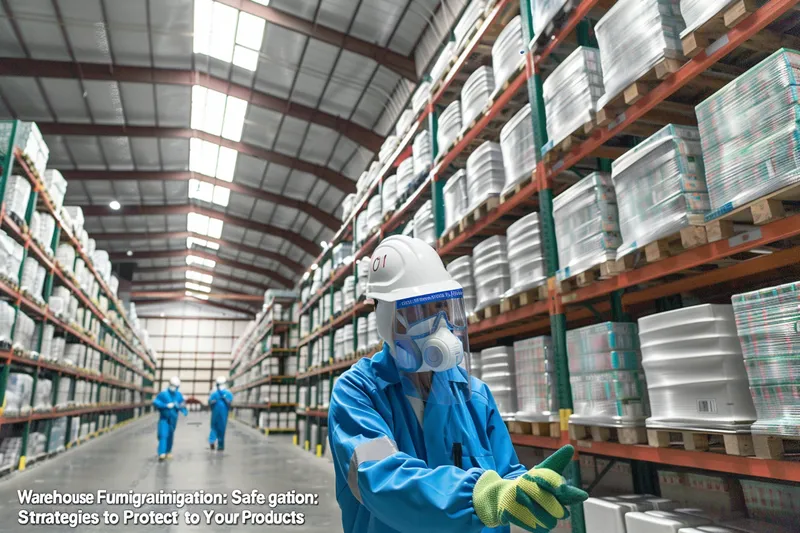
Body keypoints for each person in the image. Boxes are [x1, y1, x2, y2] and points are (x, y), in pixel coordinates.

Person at [328, 235, 587, 533]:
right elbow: (379, 480)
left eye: (443, 307)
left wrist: (528, 490)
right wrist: (481, 496)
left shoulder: (475, 396)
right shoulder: (358, 393)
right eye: (420, 310)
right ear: (386, 317)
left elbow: (505, 478)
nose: (439, 322)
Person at [152, 376, 188, 461]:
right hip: (164, 418)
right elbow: (155, 402)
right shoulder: (163, 394)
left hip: (173, 419)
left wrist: (182, 408)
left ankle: (168, 451)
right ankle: (162, 453)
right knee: (163, 435)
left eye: (176, 386)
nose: (174, 388)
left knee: (170, 435)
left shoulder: (178, 395)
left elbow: (182, 405)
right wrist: (165, 405)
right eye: (172, 385)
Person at [208, 376, 233, 451]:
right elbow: (229, 403)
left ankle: (212, 441)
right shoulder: (228, 393)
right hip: (223, 413)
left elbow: (210, 402)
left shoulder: (214, 393)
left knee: (214, 427)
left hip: (215, 413)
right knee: (221, 428)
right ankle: (220, 445)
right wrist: (225, 399)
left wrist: (214, 402)